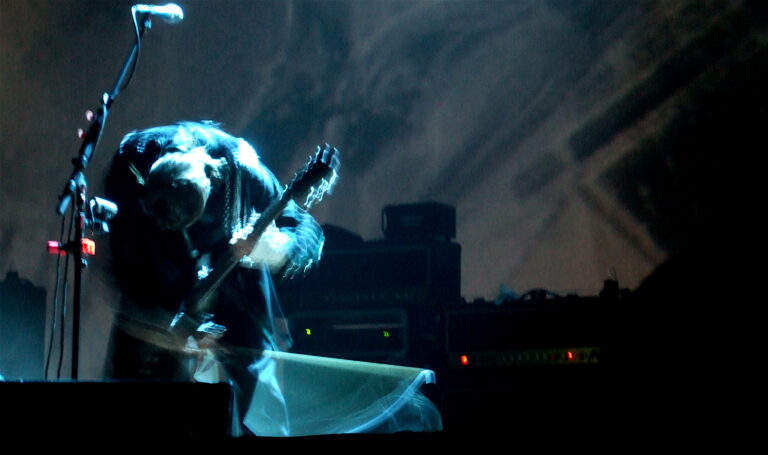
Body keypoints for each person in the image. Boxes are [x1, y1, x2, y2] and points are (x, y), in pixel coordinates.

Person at [103, 121, 329, 435]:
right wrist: (161, 328)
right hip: (157, 278)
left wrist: (274, 249)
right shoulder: (134, 157)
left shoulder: (243, 168)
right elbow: (120, 263)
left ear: (211, 180)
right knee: (131, 387)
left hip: (234, 275)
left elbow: (305, 230)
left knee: (257, 388)